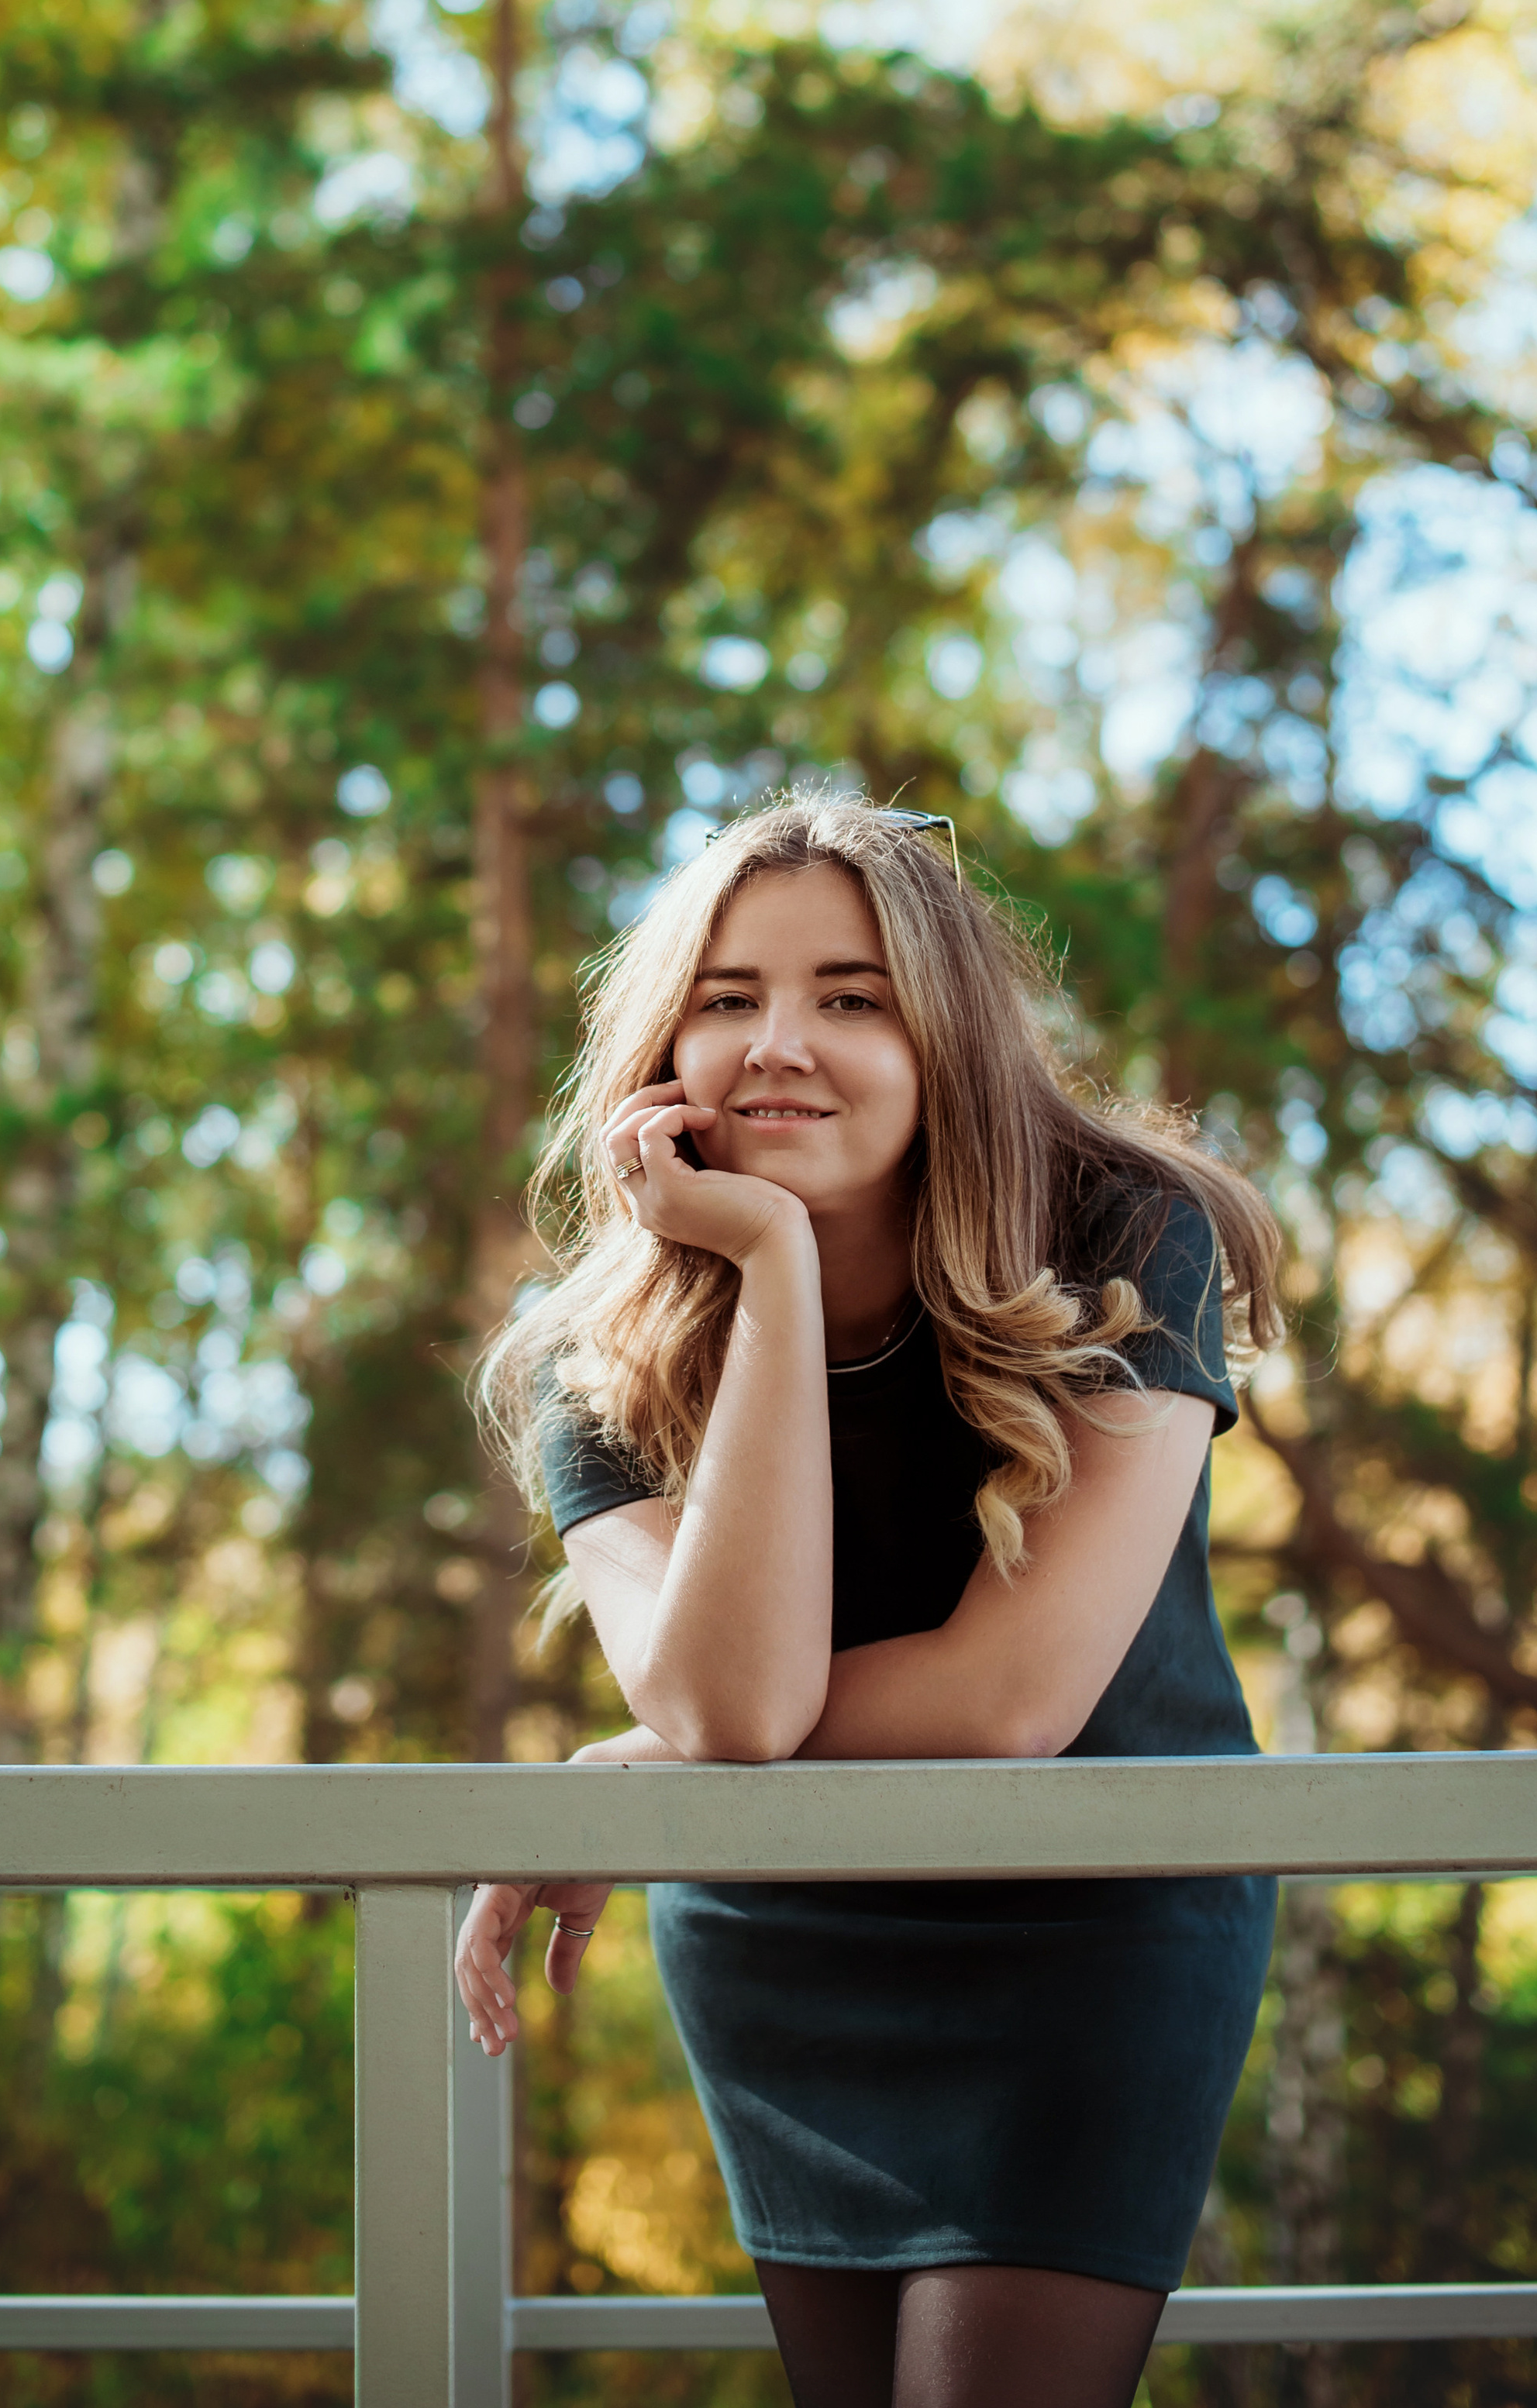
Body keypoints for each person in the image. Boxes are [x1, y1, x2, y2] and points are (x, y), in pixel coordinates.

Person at [454, 795, 1284, 2408]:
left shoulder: (1124, 1235)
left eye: (852, 996)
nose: (779, 1043)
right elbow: (735, 1709)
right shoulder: (595, 1353)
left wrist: (641, 1761)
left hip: (1089, 1922)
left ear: (945, 1033)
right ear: (660, 1050)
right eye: (727, 997)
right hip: (787, 1929)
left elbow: (1008, 1701)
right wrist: (767, 1262)